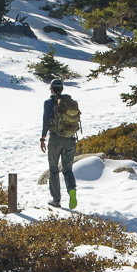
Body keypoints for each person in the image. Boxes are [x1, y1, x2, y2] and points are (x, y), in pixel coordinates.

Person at [40, 79, 81, 208]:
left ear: (51, 89)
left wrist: (43, 138)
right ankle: (72, 190)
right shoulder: (69, 102)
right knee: (67, 169)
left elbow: (46, 121)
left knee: (53, 170)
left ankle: (56, 200)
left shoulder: (49, 103)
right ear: (62, 89)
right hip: (70, 139)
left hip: (55, 139)